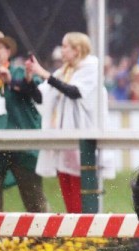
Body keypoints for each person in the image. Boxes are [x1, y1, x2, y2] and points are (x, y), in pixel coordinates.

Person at [27, 32, 115, 213]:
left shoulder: (91, 68)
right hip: (63, 138)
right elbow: (41, 96)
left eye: (65, 46)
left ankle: (85, 232)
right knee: (66, 184)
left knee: (80, 188)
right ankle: (74, 231)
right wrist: (29, 79)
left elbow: (75, 92)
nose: (62, 50)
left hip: (83, 138)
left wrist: (45, 74)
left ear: (77, 50)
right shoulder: (64, 71)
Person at [0, 29, 48, 212]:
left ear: (8, 52)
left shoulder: (20, 72)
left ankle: (45, 237)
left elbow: (37, 95)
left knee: (34, 194)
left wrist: (11, 82)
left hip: (22, 144)